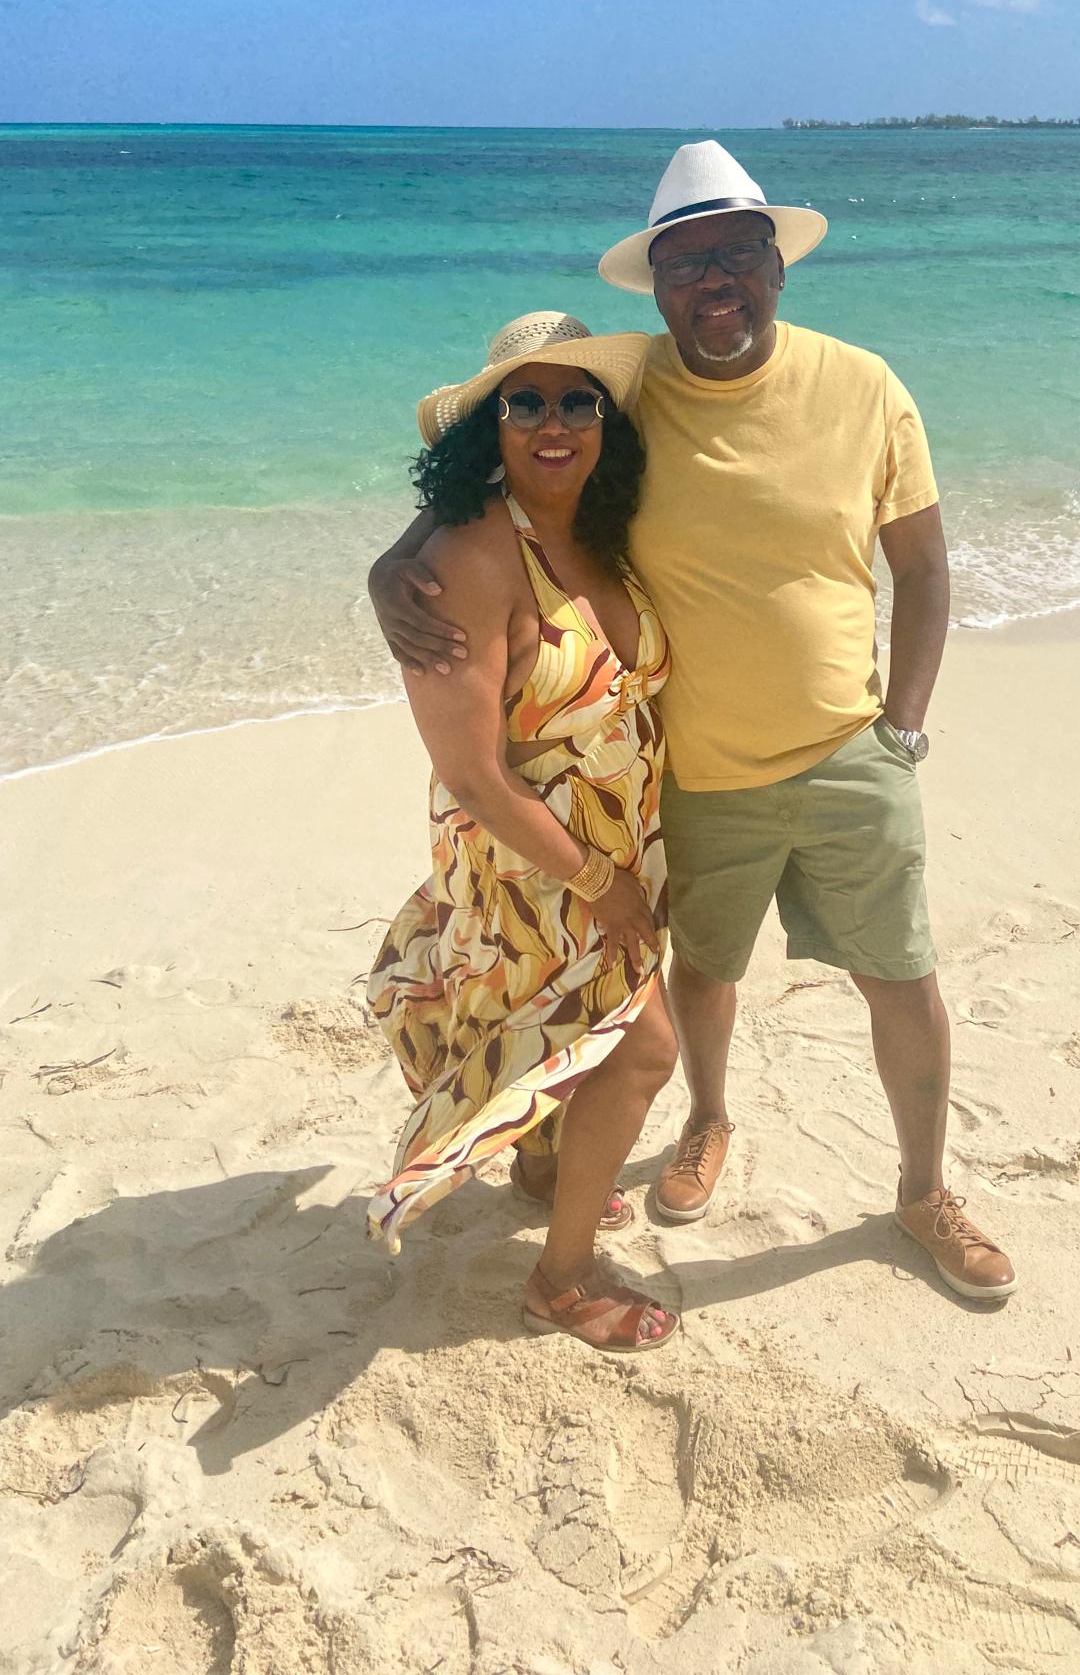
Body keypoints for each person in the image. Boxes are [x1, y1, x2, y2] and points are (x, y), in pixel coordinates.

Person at [371, 145, 1018, 1302]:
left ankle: (925, 1193)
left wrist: (905, 729)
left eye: (736, 253)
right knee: (703, 979)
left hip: (847, 750)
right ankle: (706, 1124)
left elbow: (922, 569)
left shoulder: (862, 385)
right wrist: (391, 569)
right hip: (692, 783)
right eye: (685, 263)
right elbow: (492, 491)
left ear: (779, 265)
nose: (713, 279)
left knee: (902, 977)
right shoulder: (633, 398)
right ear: (659, 288)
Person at [367, 311, 679, 1353]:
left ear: (606, 422)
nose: (554, 423)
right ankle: (561, 1280)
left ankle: (547, 1170)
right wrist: (600, 880)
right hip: (532, 868)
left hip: (614, 849)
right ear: (489, 429)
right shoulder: (467, 558)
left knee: (570, 1029)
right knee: (642, 1053)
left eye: (577, 401)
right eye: (525, 404)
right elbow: (473, 775)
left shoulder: (604, 527)